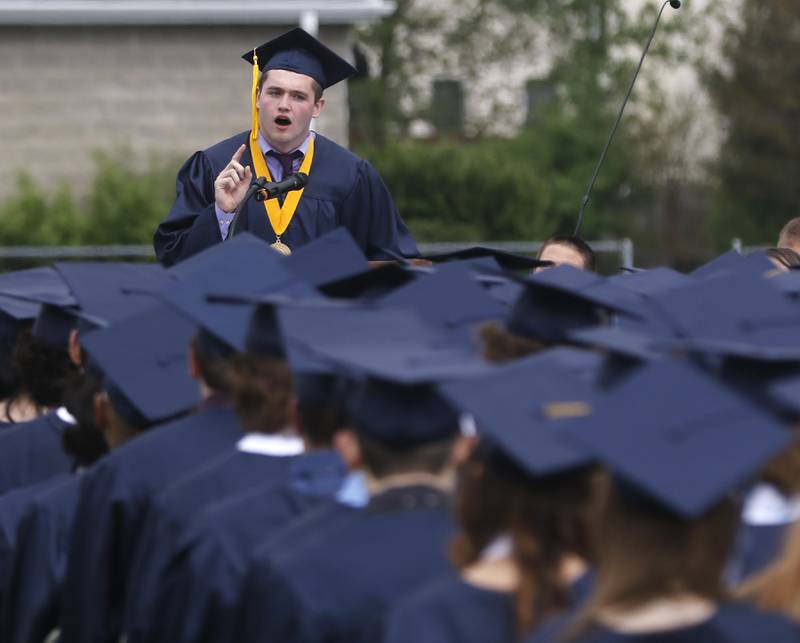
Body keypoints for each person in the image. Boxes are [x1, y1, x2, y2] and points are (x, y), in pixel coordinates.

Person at [154, 28, 418, 266]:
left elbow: (394, 262)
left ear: (317, 107)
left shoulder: (351, 175)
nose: (284, 104)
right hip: (236, 318)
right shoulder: (215, 167)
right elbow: (173, 258)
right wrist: (221, 214)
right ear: (257, 97)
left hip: (321, 317)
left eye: (298, 96)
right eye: (275, 92)